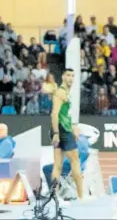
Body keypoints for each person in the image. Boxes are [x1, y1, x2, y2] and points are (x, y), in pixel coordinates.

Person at [49, 69, 84, 200]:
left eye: (73, 76)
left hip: (62, 129)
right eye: (68, 75)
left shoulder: (66, 93)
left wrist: (73, 127)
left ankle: (54, 197)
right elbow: (54, 113)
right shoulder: (60, 93)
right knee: (75, 161)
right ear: (63, 77)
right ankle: (81, 197)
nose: (71, 78)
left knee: (57, 165)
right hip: (62, 131)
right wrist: (57, 133)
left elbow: (66, 114)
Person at [42, 125, 90, 198]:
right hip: (79, 168)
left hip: (70, 167)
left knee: (46, 169)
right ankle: (58, 187)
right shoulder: (84, 139)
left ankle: (53, 193)